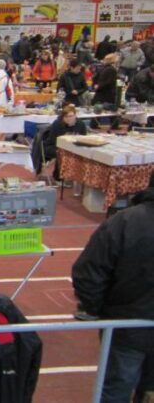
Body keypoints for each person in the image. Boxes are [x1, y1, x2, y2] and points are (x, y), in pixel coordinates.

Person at [72, 170, 154, 403]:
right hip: (127, 323)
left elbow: (88, 272)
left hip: (126, 326)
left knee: (115, 389)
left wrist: (98, 309)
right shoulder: (125, 221)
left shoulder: (124, 221)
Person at [42, 105, 87, 181]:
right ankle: (59, 177)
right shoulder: (57, 124)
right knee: (63, 152)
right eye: (66, 117)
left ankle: (77, 177)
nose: (69, 118)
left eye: (71, 116)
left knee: (83, 153)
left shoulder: (81, 124)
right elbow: (53, 140)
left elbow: (84, 138)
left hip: (74, 147)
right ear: (63, 117)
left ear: (75, 115)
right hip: (54, 146)